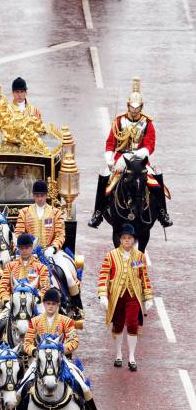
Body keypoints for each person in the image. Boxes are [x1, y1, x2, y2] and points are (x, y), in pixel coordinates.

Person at [88, 76, 172, 229]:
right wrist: (110, 159)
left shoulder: (147, 123)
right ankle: (98, 213)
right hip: (121, 160)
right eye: (132, 108)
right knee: (104, 177)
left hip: (140, 160)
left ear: (141, 107)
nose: (134, 111)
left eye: (137, 108)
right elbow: (111, 143)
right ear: (128, 106)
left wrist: (139, 154)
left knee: (157, 178)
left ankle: (162, 212)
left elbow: (150, 145)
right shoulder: (119, 121)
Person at [23, 288, 101, 410]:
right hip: (40, 362)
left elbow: (74, 340)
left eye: (53, 304)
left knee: (82, 385)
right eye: (48, 303)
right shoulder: (35, 321)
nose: (50, 306)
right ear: (44, 304)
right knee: (21, 385)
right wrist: (34, 351)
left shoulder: (66, 321)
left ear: (58, 305)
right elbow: (27, 343)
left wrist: (62, 349)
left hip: (61, 360)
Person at [15, 181, 83, 315]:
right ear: (34, 196)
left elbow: (60, 234)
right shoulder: (24, 212)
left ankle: (76, 306)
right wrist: (25, 248)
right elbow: (18, 233)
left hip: (51, 252)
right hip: (29, 253)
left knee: (68, 276)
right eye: (37, 195)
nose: (40, 198)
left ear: (46, 196)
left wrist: (53, 248)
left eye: (42, 195)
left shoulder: (55, 212)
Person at [98, 224, 153, 371]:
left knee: (133, 324)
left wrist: (148, 297)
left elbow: (144, 277)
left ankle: (132, 357)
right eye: (124, 238)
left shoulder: (140, 256)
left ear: (133, 240)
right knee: (117, 324)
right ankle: (118, 354)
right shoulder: (111, 255)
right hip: (116, 296)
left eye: (129, 238)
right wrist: (103, 295)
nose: (127, 240)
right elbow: (104, 275)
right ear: (120, 240)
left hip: (133, 296)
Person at [0, 232, 50, 306]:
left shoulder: (41, 267)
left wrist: (38, 298)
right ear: (18, 248)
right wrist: (6, 299)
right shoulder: (10, 266)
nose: (24, 250)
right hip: (14, 303)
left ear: (32, 248)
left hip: (35, 302)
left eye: (27, 248)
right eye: (21, 248)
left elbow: (45, 286)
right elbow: (3, 285)